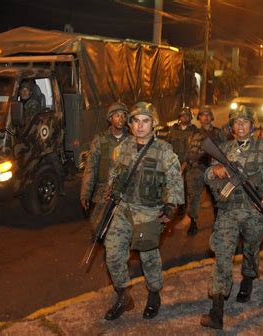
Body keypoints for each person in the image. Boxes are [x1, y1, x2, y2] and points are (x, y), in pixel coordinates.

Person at [201, 105, 263, 330]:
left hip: (253, 213)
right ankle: (217, 311)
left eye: (245, 122)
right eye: (236, 122)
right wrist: (215, 171)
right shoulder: (223, 149)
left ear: (252, 126)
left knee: (250, 252)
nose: (240, 125)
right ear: (230, 127)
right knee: (222, 257)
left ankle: (248, 279)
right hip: (227, 213)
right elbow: (208, 176)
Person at [103, 102, 184, 321]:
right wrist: (109, 191)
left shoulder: (164, 151)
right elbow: (114, 174)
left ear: (154, 124)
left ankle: (154, 293)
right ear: (130, 124)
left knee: (149, 257)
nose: (140, 126)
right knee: (112, 253)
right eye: (136, 121)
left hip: (148, 211)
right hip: (123, 209)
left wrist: (171, 205)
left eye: (145, 121)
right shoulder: (122, 148)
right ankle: (123, 295)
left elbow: (175, 181)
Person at [80, 102, 129, 231]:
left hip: (125, 195)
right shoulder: (100, 140)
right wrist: (85, 193)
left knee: (122, 232)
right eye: (117, 115)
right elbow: (91, 168)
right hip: (103, 194)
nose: (121, 118)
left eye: (123, 116)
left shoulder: (132, 141)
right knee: (98, 228)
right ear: (110, 118)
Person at [184, 106, 227, 236]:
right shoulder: (194, 133)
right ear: (199, 118)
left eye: (208, 114)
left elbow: (225, 150)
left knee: (217, 197)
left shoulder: (219, 133)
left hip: (214, 169)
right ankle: (193, 222)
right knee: (194, 197)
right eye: (203, 115)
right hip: (197, 169)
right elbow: (189, 151)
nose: (206, 117)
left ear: (212, 117)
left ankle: (217, 222)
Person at [166, 106, 197, 216]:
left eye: (187, 116)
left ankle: (186, 208)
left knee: (188, 187)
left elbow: (195, 148)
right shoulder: (173, 129)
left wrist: (185, 163)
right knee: (172, 184)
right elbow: (167, 144)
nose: (184, 118)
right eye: (182, 116)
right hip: (174, 161)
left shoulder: (194, 130)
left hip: (189, 163)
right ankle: (175, 205)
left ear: (190, 117)